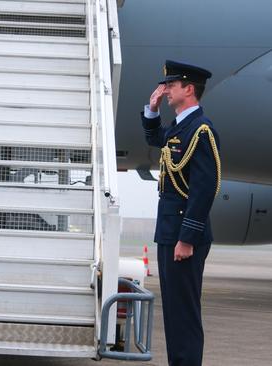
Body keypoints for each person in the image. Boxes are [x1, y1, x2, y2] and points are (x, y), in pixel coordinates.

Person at [142, 60, 221, 366]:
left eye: (172, 86)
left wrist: (187, 238)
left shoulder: (202, 131)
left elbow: (204, 190)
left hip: (184, 237)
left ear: (189, 89)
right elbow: (155, 139)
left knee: (184, 313)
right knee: (174, 312)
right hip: (169, 232)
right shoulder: (181, 126)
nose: (167, 89)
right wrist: (152, 109)